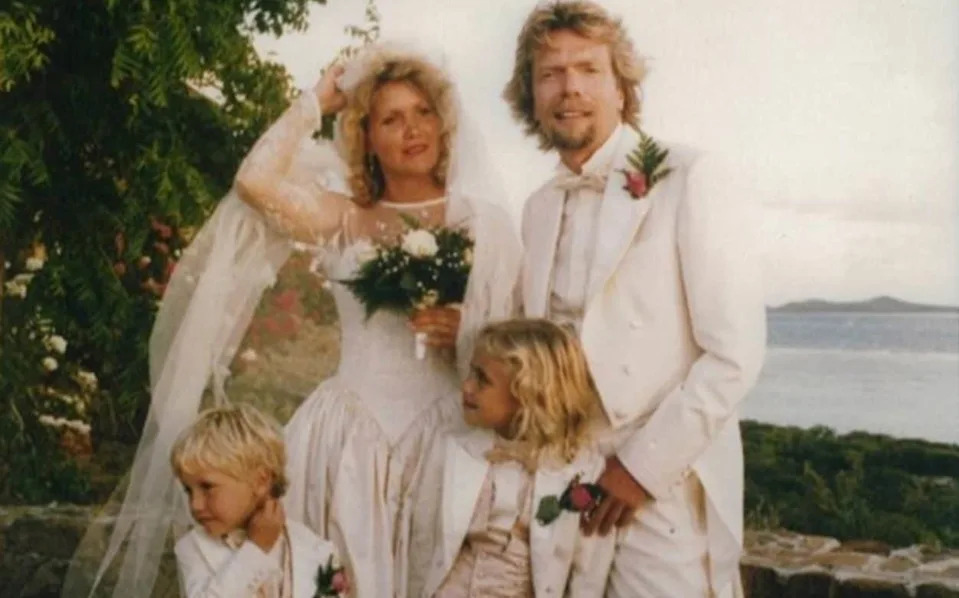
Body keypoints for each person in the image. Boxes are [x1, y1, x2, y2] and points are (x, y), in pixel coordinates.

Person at [62, 41, 520, 598]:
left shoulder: (485, 224)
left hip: (447, 434)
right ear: (366, 137)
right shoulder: (344, 217)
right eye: (391, 119)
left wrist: (466, 328)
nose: (412, 129)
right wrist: (314, 102)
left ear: (444, 123)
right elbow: (254, 183)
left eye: (423, 112)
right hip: (347, 439)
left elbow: (518, 341)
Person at [504, 2, 767, 596]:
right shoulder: (537, 209)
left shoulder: (690, 177)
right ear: (531, 96)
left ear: (622, 88)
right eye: (550, 74)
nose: (570, 88)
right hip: (565, 481)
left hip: (662, 484)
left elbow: (735, 355)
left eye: (588, 69)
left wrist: (641, 469)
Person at [411, 319, 614, 597]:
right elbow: (420, 540)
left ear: (527, 396)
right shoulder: (455, 449)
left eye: (482, 379)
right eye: (471, 373)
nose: (467, 386)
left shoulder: (580, 470)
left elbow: (587, 573)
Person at [170, 404, 346, 598]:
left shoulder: (318, 551)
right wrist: (255, 550)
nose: (195, 504)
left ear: (261, 481)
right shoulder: (193, 548)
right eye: (188, 490)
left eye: (207, 487)